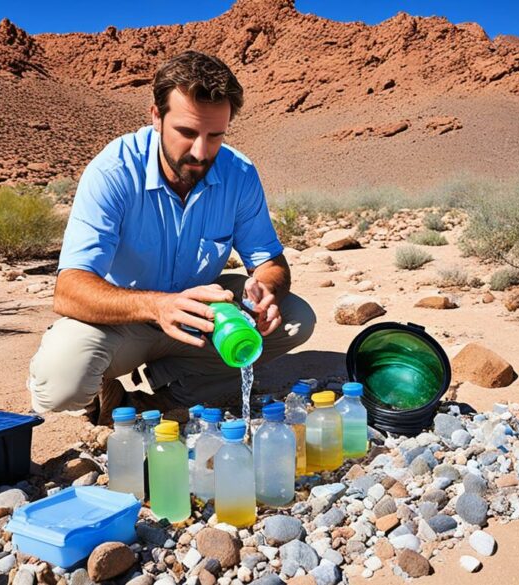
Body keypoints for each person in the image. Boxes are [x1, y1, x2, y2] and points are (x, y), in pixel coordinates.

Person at [27, 51, 316, 425]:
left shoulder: (239, 173)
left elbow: (270, 262)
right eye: (187, 132)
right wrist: (159, 306)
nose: (200, 151)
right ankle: (102, 391)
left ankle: (165, 397)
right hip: (123, 318)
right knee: (60, 381)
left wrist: (264, 290)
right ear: (156, 117)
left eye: (215, 136)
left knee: (294, 319)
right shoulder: (114, 171)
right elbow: (68, 290)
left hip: (198, 317)